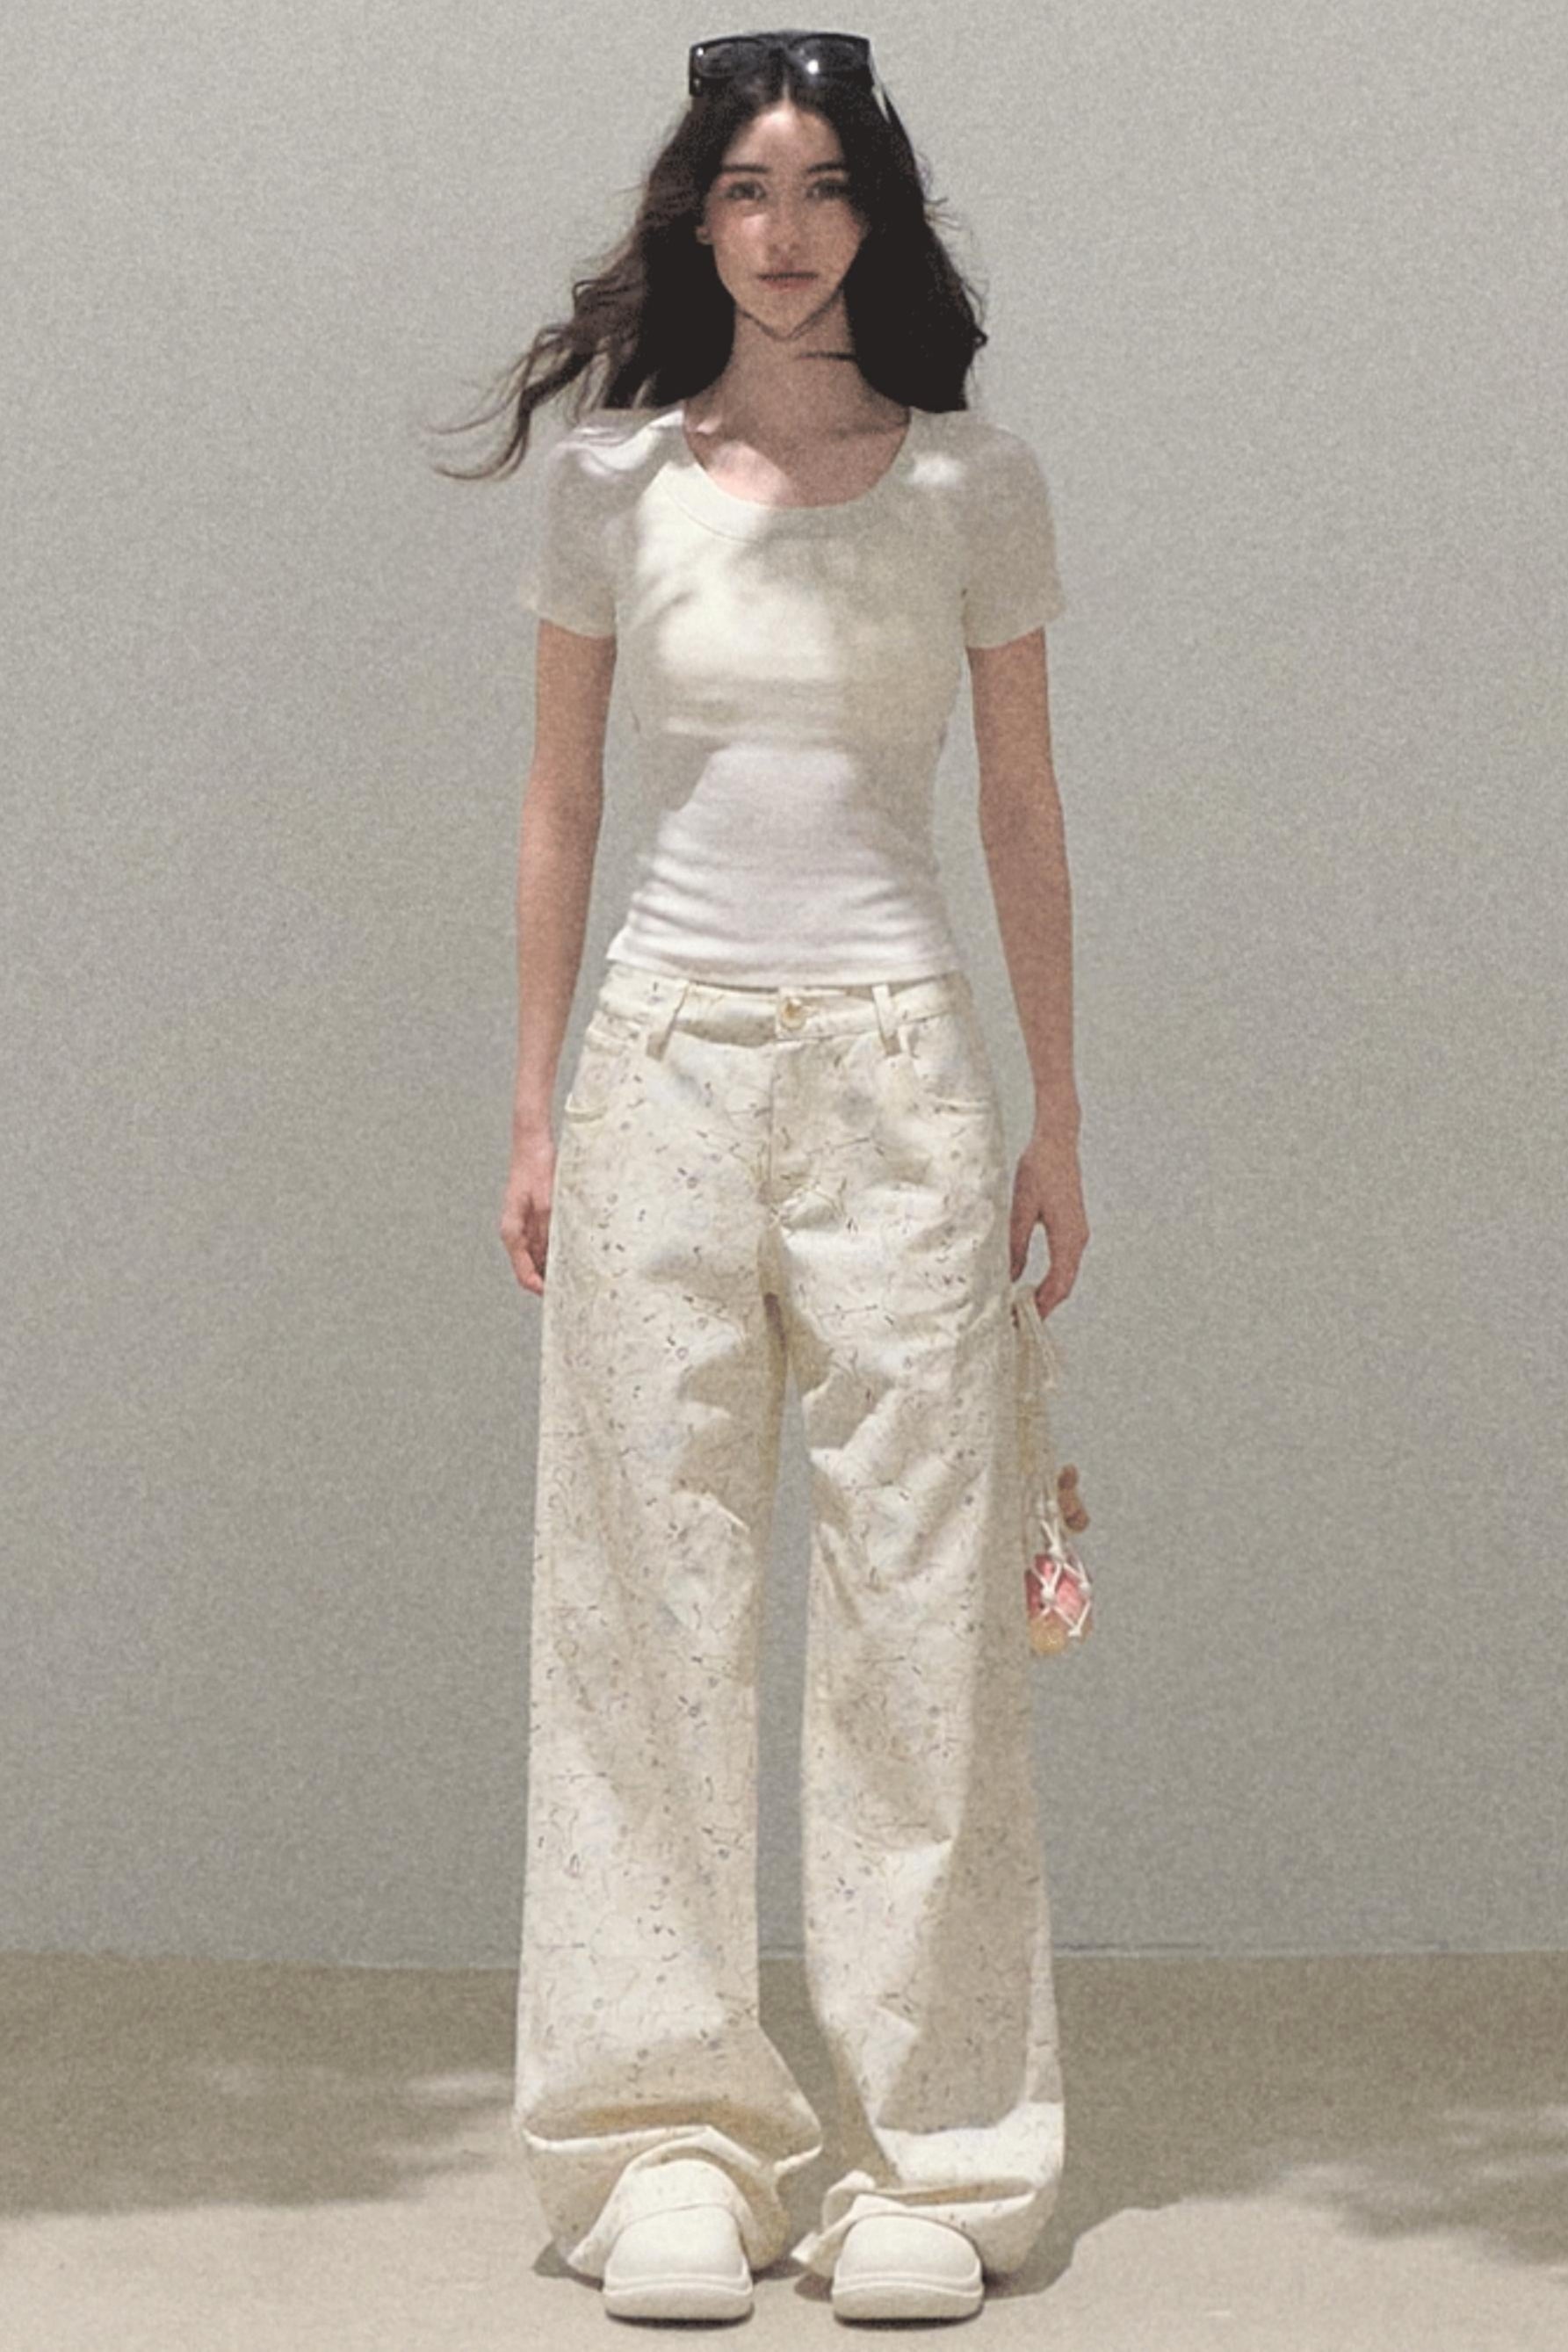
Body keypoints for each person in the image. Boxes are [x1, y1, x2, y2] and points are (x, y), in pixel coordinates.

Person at [436, 26, 1089, 2326]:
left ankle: (940, 2158)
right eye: (745, 190)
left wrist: (1057, 1113)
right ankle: (662, 2149)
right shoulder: (612, 484)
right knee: (643, 1611)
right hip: (661, 1079)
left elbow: (1019, 810)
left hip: (903, 1084)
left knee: (923, 1623)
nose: (785, 231)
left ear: (872, 216)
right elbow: (558, 810)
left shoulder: (971, 483)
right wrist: (536, 1108)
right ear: (695, 219)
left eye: (822, 189)